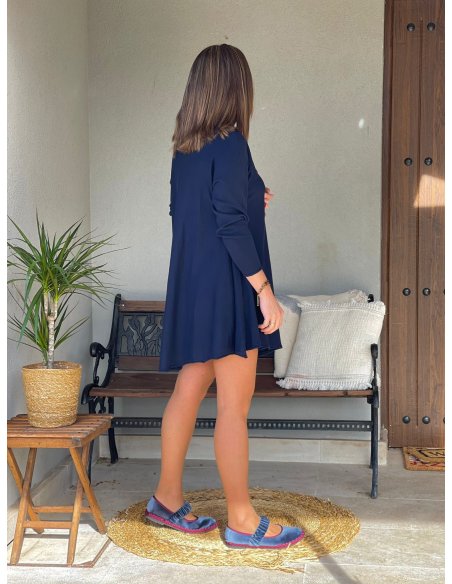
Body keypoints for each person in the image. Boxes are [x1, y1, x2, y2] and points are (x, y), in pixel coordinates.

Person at [145, 44, 304, 549]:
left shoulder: (185, 150)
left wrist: (253, 196)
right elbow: (230, 223)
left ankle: (166, 499)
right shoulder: (231, 144)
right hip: (230, 286)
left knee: (188, 391)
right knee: (233, 408)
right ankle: (241, 519)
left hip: (194, 286)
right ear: (236, 89)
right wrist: (264, 291)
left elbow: (193, 212)